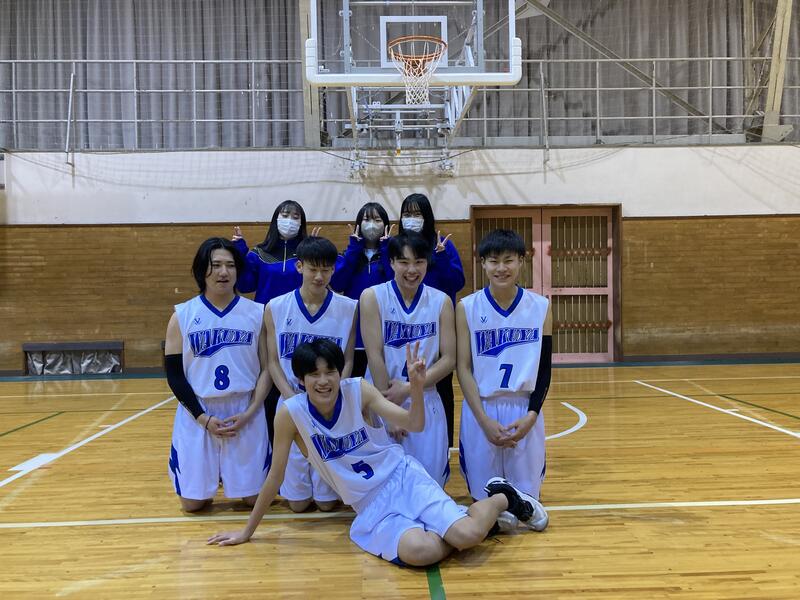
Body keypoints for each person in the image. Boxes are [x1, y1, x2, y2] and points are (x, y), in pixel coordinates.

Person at [207, 339, 548, 566]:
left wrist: (416, 387)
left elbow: (413, 424)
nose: (324, 381)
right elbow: (275, 477)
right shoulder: (290, 413)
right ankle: (471, 523)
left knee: (467, 535)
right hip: (370, 506)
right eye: (314, 374)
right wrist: (246, 532)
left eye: (330, 371)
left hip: (402, 478)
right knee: (421, 552)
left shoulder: (359, 390)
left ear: (340, 372)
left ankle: (502, 498)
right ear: (301, 380)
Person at [164, 237, 271, 512]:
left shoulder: (257, 313)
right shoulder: (182, 315)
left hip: (244, 409)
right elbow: (175, 376)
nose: (224, 272)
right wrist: (203, 418)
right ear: (202, 270)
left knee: (254, 500)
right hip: (199, 411)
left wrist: (251, 412)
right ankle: (210, 475)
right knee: (192, 504)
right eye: (216, 265)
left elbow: (267, 369)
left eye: (230, 265)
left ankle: (231, 473)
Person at [456, 229, 551, 512]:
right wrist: (483, 420)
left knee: (527, 502)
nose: (501, 268)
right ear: (483, 263)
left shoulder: (541, 307)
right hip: (481, 408)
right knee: (482, 500)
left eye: (508, 260)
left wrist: (532, 416)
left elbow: (544, 369)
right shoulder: (467, 307)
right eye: (493, 261)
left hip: (523, 409)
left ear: (522, 261)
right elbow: (463, 368)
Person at [264, 236, 358, 512]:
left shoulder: (348, 307)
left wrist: (333, 396)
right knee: (297, 503)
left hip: (329, 404)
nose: (319, 276)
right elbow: (272, 362)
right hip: (291, 401)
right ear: (299, 266)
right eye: (313, 269)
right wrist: (292, 398)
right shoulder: (275, 307)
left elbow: (348, 359)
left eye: (326, 269)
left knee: (327, 504)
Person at [359, 231, 454, 487]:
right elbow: (374, 354)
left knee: (429, 484)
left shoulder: (441, 301)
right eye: (403, 262)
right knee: (385, 487)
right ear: (391, 262)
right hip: (383, 398)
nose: (412, 270)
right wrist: (388, 409)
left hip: (425, 398)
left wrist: (412, 387)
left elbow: (449, 359)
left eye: (419, 262)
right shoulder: (372, 297)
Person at [231, 200, 321, 442]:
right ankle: (270, 444)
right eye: (285, 214)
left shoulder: (305, 254)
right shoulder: (258, 253)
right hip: (265, 327)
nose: (289, 220)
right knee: (268, 383)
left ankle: (306, 439)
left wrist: (313, 250)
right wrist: (241, 252)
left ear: (302, 222)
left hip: (298, 327)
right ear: (275, 219)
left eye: (295, 216)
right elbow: (245, 285)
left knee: (297, 378)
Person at [397, 193, 464, 447]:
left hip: (437, 327)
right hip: (406, 327)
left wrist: (442, 257)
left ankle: (443, 444)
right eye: (407, 214)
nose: (411, 219)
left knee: (442, 384)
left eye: (417, 214)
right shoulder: (396, 246)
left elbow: (457, 282)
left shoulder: (442, 244)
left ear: (427, 217)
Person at [330, 202, 395, 378]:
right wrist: (354, 248)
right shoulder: (347, 255)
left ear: (386, 225)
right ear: (358, 224)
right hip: (354, 331)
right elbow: (338, 284)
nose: (371, 225)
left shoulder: (393, 256)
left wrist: (387, 249)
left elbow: (395, 283)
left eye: (377, 220)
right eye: (366, 219)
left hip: (384, 329)